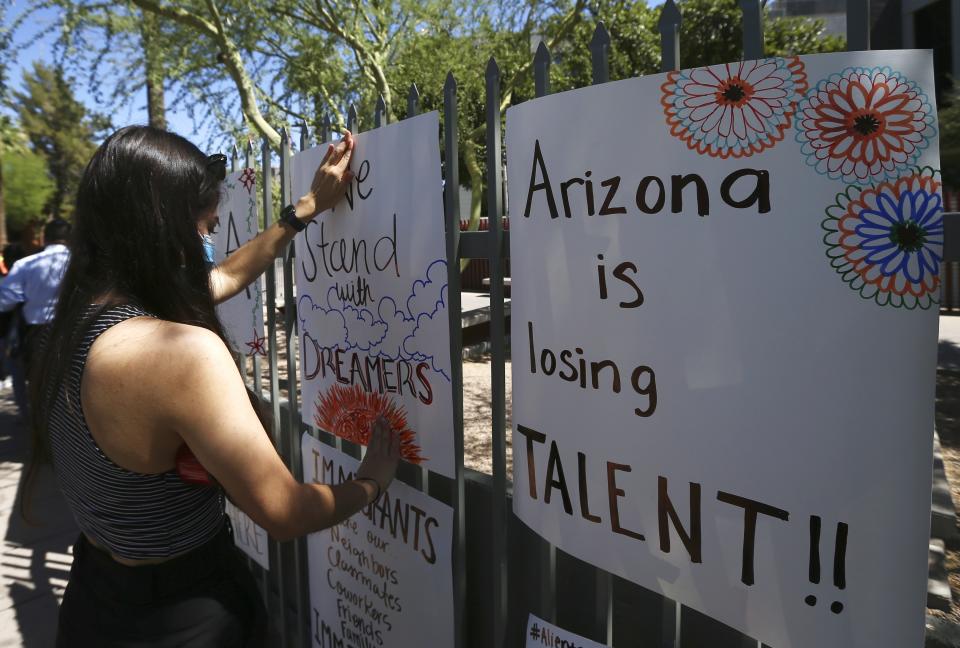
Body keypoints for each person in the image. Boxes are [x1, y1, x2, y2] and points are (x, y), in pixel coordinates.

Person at [24, 125, 401, 647]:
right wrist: (372, 482)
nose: (208, 244)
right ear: (161, 229)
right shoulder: (176, 353)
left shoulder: (73, 323)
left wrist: (303, 211)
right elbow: (283, 512)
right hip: (183, 610)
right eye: (204, 228)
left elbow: (222, 278)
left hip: (95, 597)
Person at [0, 218, 72, 418]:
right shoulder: (82, 263)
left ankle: (43, 423)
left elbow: (5, 300)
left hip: (36, 332)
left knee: (39, 380)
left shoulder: (26, 265)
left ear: (46, 239)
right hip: (74, 329)